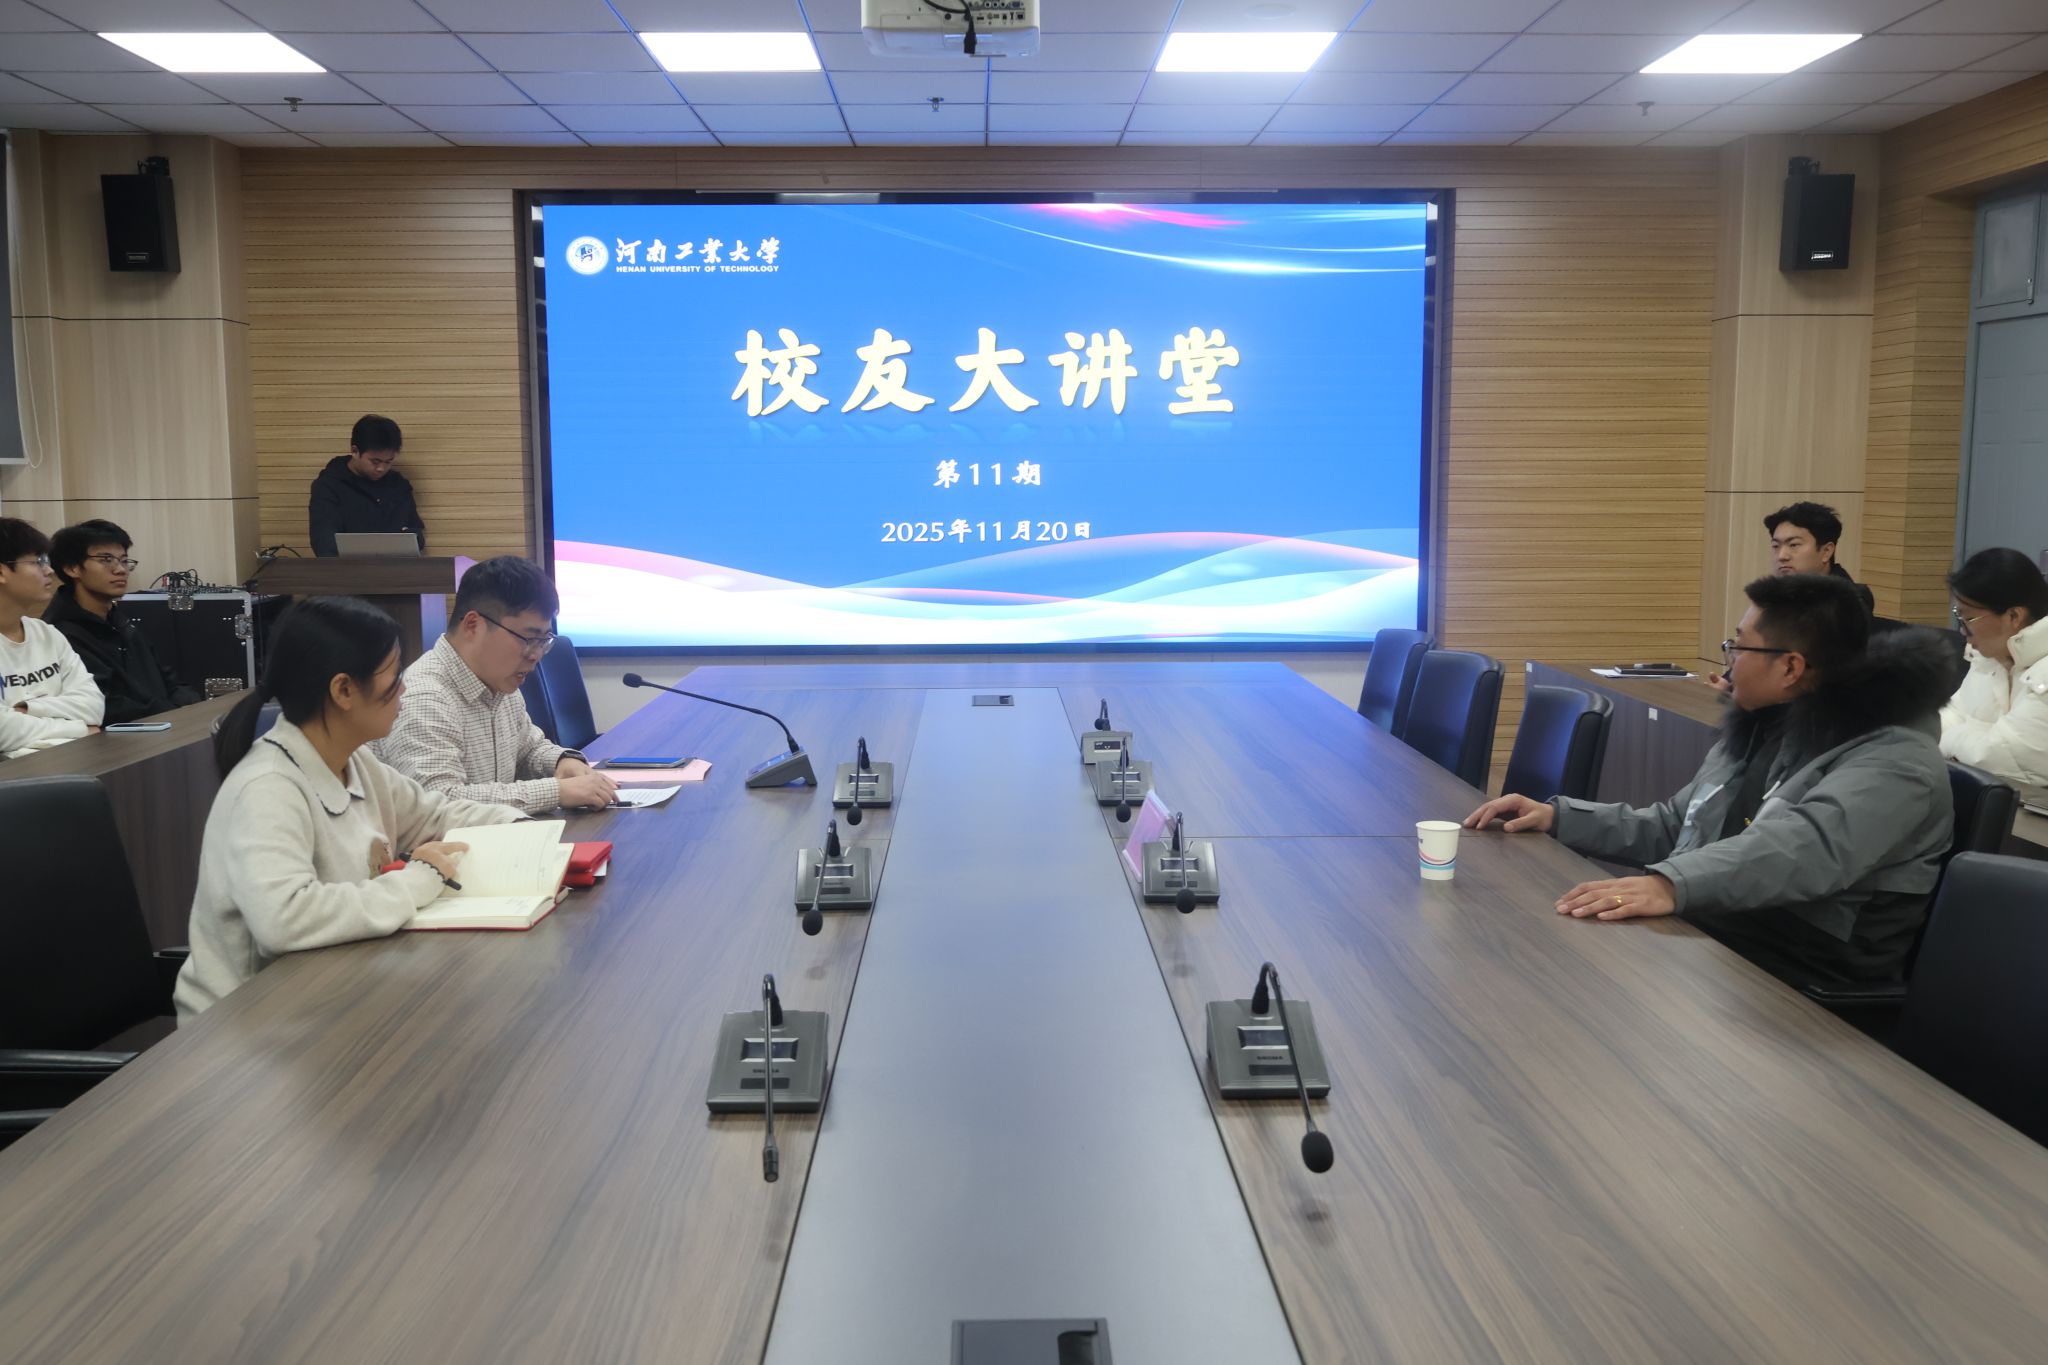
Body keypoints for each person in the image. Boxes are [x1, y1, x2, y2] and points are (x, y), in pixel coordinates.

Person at [1466, 573, 1958, 990]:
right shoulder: (1767, 721)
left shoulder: (1897, 758)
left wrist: (1671, 883)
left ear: (1791, 666)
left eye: (1738, 647)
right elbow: (1677, 825)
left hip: (1801, 969)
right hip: (1731, 931)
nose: (1728, 662)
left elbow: (1804, 851)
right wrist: (1559, 817)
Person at [175, 596, 521, 1021]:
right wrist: (418, 880)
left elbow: (437, 815)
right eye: (394, 676)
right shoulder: (267, 786)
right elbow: (284, 918)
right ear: (343, 690)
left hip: (328, 996)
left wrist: (523, 827)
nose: (404, 690)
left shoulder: (355, 761)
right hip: (244, 1027)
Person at [374, 555, 616, 814]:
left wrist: (561, 761)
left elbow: (528, 749)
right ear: (473, 625)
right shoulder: (424, 698)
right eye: (528, 638)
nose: (536, 655)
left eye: (543, 641)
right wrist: (557, 791)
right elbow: (438, 803)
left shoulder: (499, 682)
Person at [42, 518, 202, 724]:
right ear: (72, 568)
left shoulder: (119, 620)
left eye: (124, 560)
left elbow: (168, 680)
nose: (120, 569)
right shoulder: (61, 632)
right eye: (106, 559)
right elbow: (107, 704)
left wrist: (192, 707)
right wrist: (172, 715)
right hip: (125, 737)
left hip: (163, 726)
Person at [1939, 547, 2048, 789]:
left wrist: (1959, 736)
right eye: (1959, 617)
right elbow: (1948, 717)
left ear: (2014, 616)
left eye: (1969, 619)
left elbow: (2001, 755)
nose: (1962, 630)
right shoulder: (1990, 658)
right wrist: (1979, 733)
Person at [0, 517, 104, 758]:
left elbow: (93, 705)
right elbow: (3, 731)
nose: (49, 570)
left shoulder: (47, 634)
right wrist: (78, 728)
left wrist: (26, 709)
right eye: (38, 562)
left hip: (68, 762)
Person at [308, 414, 426, 556]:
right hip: (346, 567)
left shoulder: (398, 486)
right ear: (355, 451)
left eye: (388, 461)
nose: (381, 468)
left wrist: (411, 537)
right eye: (375, 461)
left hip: (396, 566)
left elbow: (417, 535)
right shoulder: (329, 486)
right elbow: (324, 543)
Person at [1766, 501, 1874, 616]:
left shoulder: (1849, 602)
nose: (1781, 556)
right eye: (1776, 546)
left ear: (1826, 551)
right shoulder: (1773, 597)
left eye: (1794, 545)